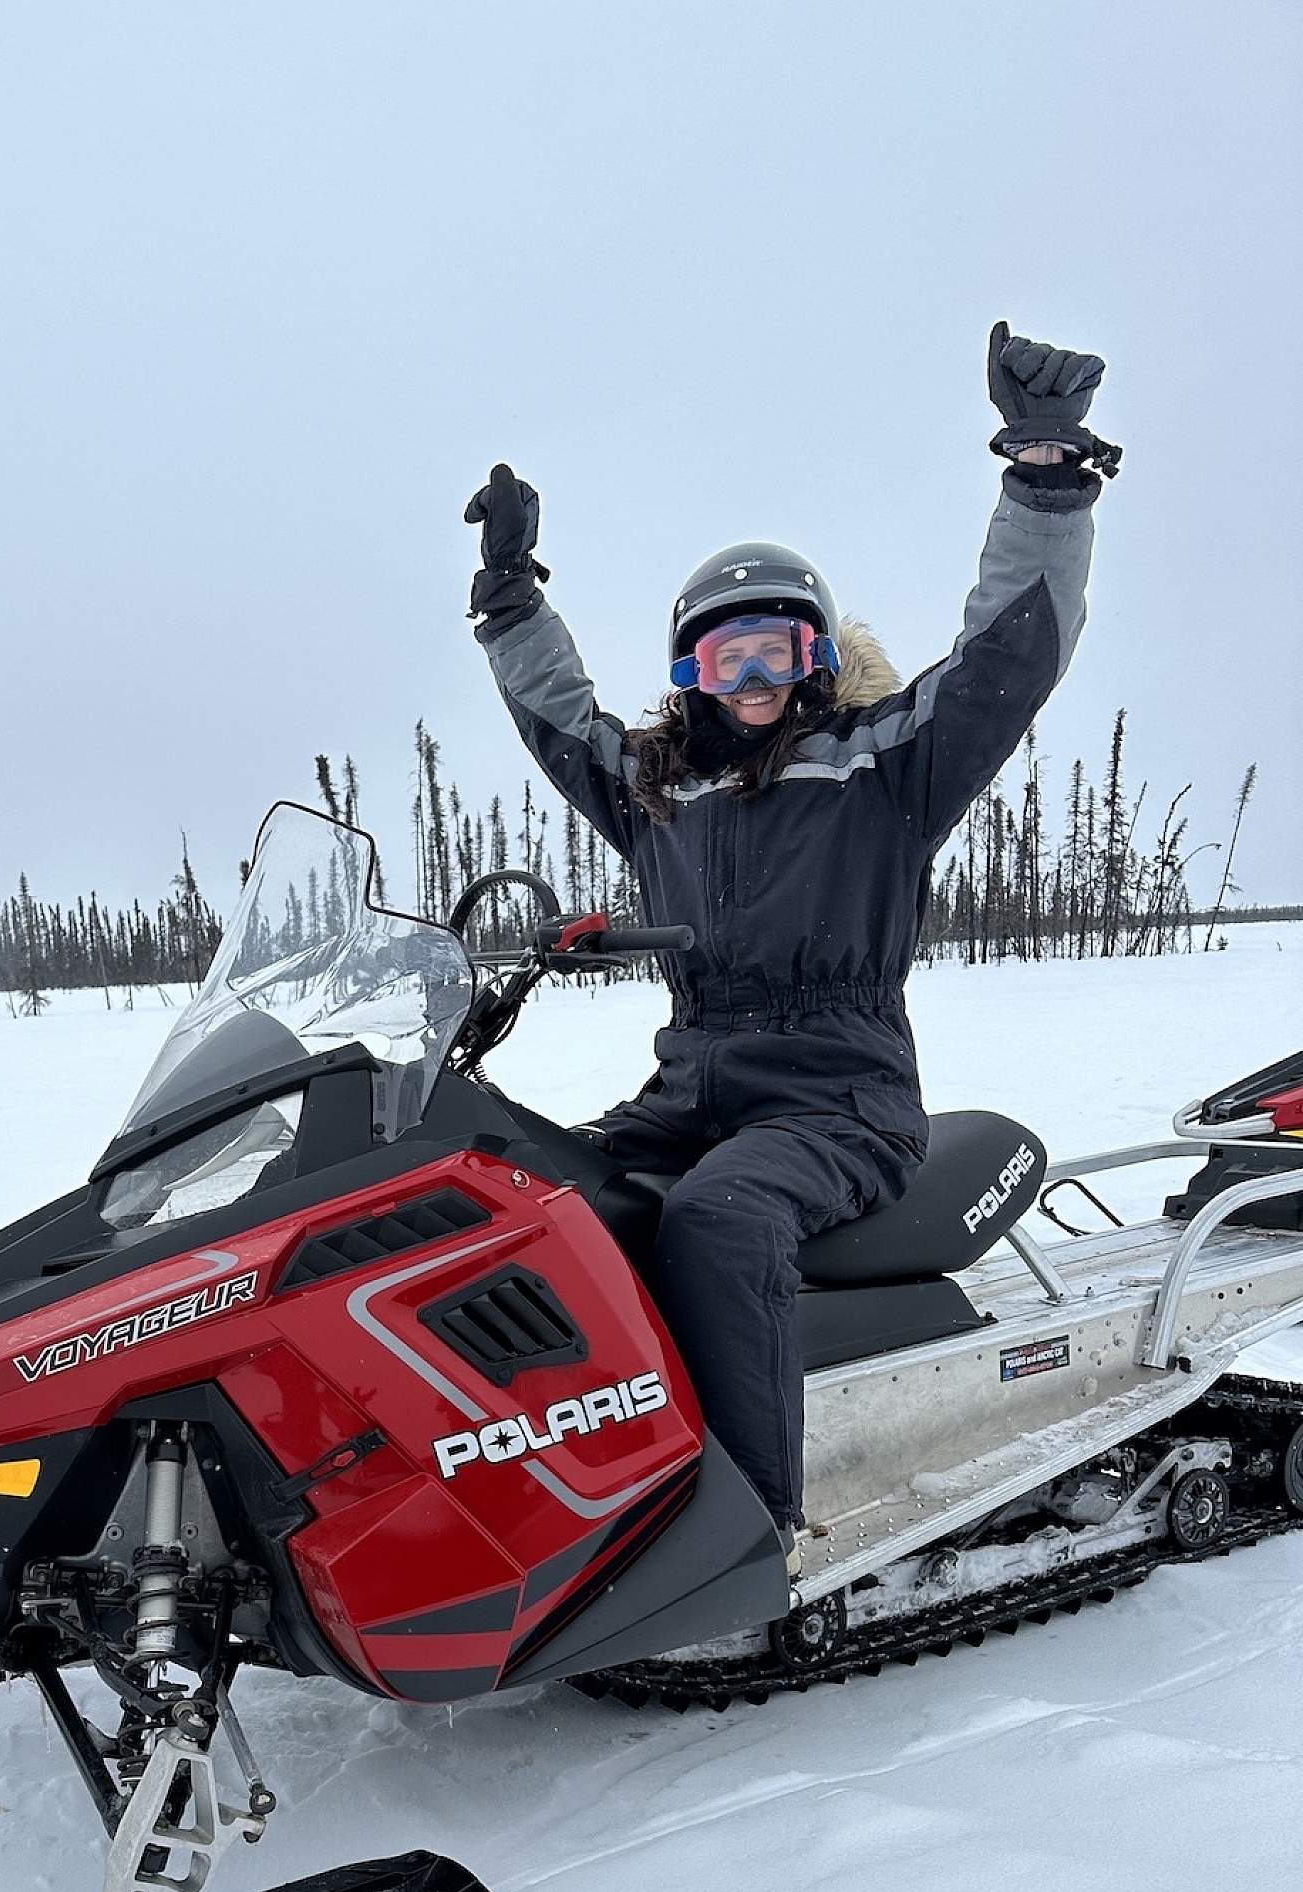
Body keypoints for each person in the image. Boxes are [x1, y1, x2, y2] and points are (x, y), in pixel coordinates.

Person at [465, 322, 1118, 1547]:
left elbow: (1003, 661)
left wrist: (1043, 472)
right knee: (522, 1195)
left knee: (718, 1218)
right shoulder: (659, 790)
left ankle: (749, 1530)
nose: (754, 673)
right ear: (691, 670)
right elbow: (560, 723)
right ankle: (555, 1482)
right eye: (727, 651)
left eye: (780, 647)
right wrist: (509, 602)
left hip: (841, 1100)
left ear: (816, 660)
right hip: (692, 1091)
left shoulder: (879, 771)